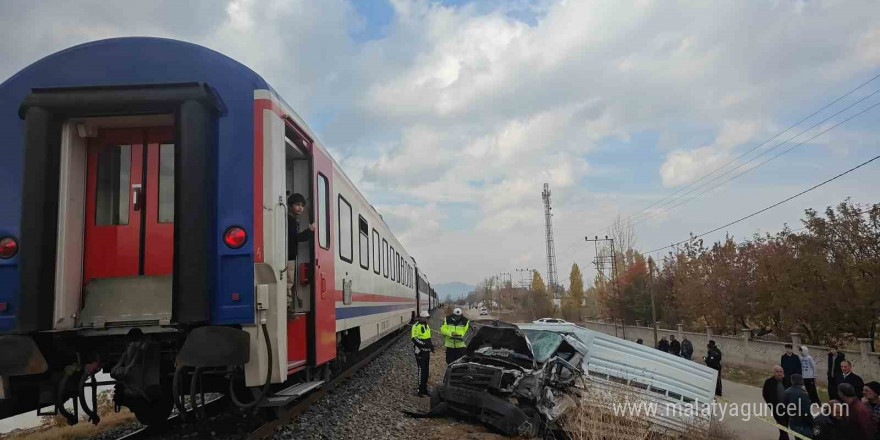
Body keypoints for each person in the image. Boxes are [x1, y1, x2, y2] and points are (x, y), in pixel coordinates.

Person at [287, 193, 315, 310]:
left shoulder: (291, 219)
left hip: (289, 255)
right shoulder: (290, 220)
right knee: (289, 282)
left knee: (289, 282)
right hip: (289, 256)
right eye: (297, 205)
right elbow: (295, 238)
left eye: (302, 205)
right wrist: (309, 231)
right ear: (290, 206)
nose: (301, 208)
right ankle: (287, 306)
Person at [762, 366, 790, 440]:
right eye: (777, 371)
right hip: (777, 409)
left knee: (784, 428)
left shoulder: (787, 381)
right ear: (774, 373)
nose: (779, 373)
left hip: (788, 409)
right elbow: (765, 395)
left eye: (781, 371)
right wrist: (771, 405)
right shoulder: (768, 382)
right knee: (783, 429)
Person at [411, 310, 434, 396]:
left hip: (426, 352)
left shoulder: (427, 326)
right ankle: (420, 390)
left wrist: (431, 346)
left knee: (426, 370)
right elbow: (414, 338)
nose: (428, 319)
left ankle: (424, 389)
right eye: (427, 318)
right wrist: (423, 344)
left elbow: (428, 338)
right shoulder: (416, 326)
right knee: (421, 370)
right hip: (419, 351)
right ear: (423, 318)